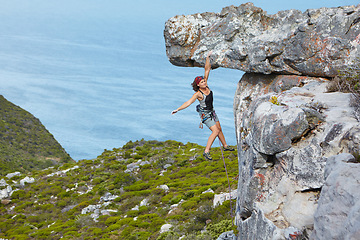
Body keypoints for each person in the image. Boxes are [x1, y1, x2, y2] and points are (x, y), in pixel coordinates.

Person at [171, 51, 234, 160]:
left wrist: (207, 57)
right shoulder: (198, 94)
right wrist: (178, 109)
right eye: (202, 82)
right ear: (198, 85)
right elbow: (188, 102)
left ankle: (225, 146)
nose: (204, 82)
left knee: (219, 128)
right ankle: (206, 151)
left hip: (212, 111)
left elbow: (207, 69)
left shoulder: (207, 86)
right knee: (215, 131)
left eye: (204, 81)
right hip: (205, 115)